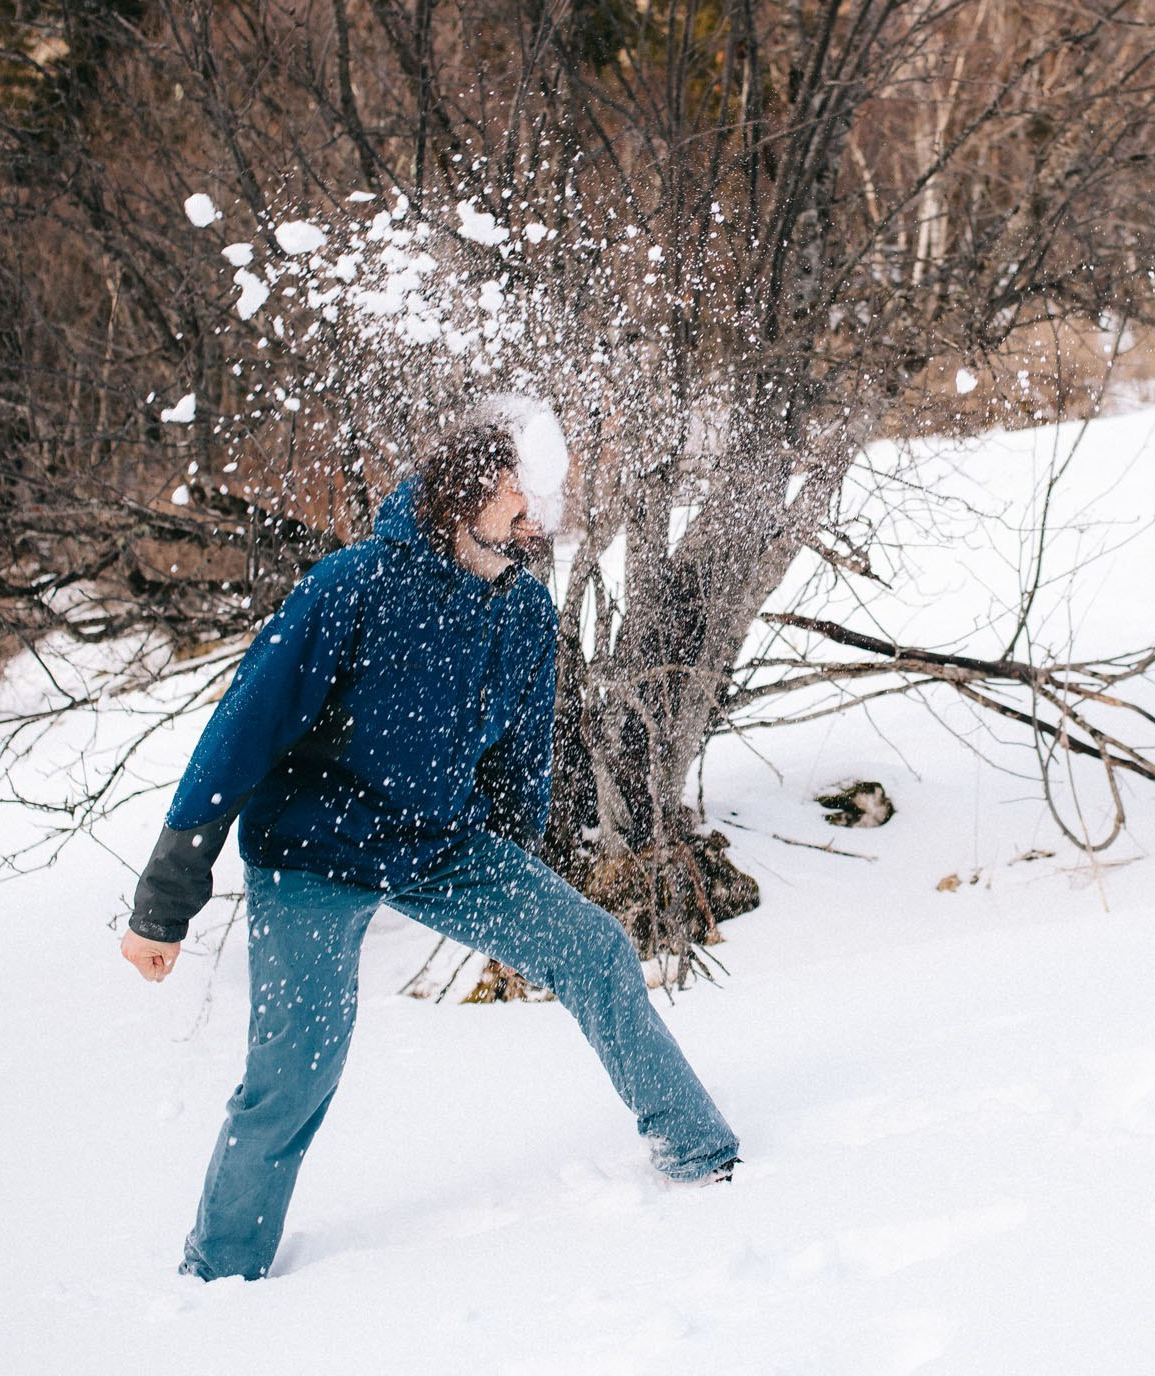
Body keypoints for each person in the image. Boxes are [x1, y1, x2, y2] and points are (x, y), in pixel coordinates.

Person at [119, 419, 740, 1281]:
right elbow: (239, 735)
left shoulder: (522, 605)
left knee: (592, 946)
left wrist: (519, 857)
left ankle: (701, 1157)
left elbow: (526, 750)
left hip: (436, 845)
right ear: (467, 494)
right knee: (297, 1069)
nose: (537, 504)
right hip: (313, 850)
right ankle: (221, 1272)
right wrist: (164, 902)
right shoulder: (354, 585)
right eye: (518, 485)